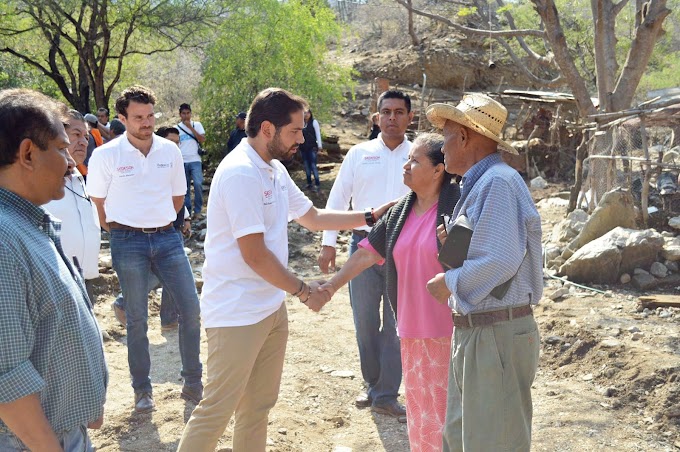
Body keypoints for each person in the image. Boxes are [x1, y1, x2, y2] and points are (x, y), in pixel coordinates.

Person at [177, 87, 394, 452]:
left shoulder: (273, 169)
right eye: (295, 130)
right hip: (236, 313)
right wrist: (304, 290)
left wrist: (370, 216)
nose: (302, 138)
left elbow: (313, 217)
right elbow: (255, 255)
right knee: (217, 409)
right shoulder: (241, 173)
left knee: (257, 407)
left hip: (270, 308)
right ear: (267, 128)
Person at [319, 133, 459, 451]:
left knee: (449, 418)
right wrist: (329, 287)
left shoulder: (457, 209)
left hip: (449, 334)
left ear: (439, 170)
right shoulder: (400, 212)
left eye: (415, 161)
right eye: (407, 159)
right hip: (410, 333)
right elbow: (367, 253)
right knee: (422, 418)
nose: (406, 166)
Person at [424, 93, 543, 452]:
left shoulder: (497, 183)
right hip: (483, 331)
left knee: (491, 442)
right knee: (467, 439)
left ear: (464, 137)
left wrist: (450, 281)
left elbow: (502, 259)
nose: (440, 147)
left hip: (494, 333)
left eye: (445, 135)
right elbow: (494, 253)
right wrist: (455, 252)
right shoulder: (484, 183)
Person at [0, 88, 107, 451]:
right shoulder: (3, 239)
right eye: (62, 149)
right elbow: (6, 377)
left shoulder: (24, 222)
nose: (72, 162)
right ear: (28, 154)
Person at [87, 85, 203, 414]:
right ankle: (142, 389)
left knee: (191, 310)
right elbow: (99, 202)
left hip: (168, 238)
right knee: (137, 319)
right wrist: (122, 230)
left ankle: (193, 382)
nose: (147, 122)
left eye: (150, 115)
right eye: (138, 117)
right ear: (122, 119)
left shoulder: (169, 151)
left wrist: (160, 221)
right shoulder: (106, 155)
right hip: (127, 241)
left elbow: (178, 197)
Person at [318, 89, 414, 419]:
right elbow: (338, 197)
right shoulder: (359, 154)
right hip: (362, 245)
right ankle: (373, 385)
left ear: (409, 118)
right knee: (365, 322)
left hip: (404, 250)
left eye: (399, 112)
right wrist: (328, 242)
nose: (392, 118)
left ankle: (387, 394)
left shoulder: (421, 155)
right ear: (376, 118)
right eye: (385, 112)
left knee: (396, 325)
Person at [110, 126, 191, 331]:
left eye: (177, 142)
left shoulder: (173, 163)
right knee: (161, 274)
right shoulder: (148, 167)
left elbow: (179, 195)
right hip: (158, 231)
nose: (175, 146)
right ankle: (123, 303)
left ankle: (169, 319)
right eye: (171, 142)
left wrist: (186, 218)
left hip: (174, 228)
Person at [44, 110, 102, 305]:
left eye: (86, 136)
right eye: (76, 134)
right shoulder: (39, 182)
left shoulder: (79, 177)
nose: (84, 142)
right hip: (53, 284)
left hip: (83, 279)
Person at [177, 103, 206, 218]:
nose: (186, 116)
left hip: (195, 160)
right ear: (180, 115)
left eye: (188, 113)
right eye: (183, 113)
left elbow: (202, 139)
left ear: (191, 113)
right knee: (185, 188)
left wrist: (190, 128)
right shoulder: (176, 128)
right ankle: (187, 212)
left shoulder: (197, 125)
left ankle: (198, 210)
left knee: (198, 184)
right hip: (182, 161)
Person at [299, 109, 322, 191]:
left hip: (312, 148)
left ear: (310, 113)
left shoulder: (314, 122)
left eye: (307, 113)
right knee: (306, 166)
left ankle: (317, 184)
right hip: (303, 148)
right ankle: (309, 183)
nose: (306, 115)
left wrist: (320, 147)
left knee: (313, 166)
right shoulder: (301, 123)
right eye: (304, 113)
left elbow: (318, 134)